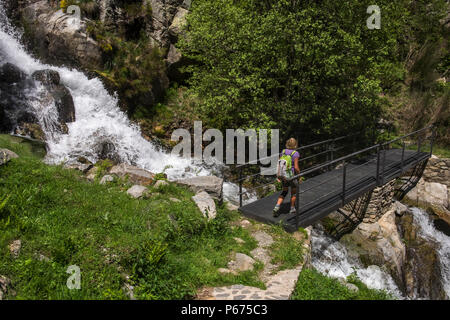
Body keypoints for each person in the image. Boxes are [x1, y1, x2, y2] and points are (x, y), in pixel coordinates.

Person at [273, 138, 300, 217]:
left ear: (287, 144)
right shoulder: (296, 153)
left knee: (284, 192)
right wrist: (299, 175)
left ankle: (277, 206)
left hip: (283, 175)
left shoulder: (283, 151)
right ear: (295, 145)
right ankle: (292, 208)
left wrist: (278, 176)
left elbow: (279, 164)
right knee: (293, 192)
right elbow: (296, 167)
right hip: (291, 176)